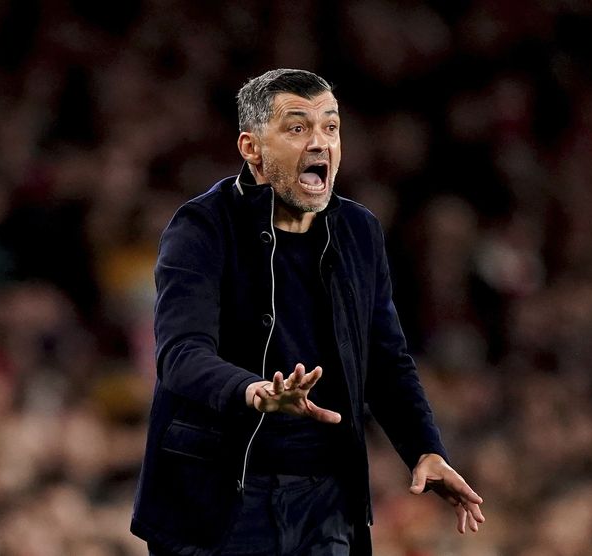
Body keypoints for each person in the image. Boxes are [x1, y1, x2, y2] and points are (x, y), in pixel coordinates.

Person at [131, 68, 485, 556]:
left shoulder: (359, 231)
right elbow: (180, 355)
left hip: (325, 500)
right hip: (218, 499)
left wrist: (425, 448)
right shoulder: (201, 228)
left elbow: (386, 360)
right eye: (297, 128)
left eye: (331, 127)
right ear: (251, 147)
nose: (320, 142)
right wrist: (251, 391)